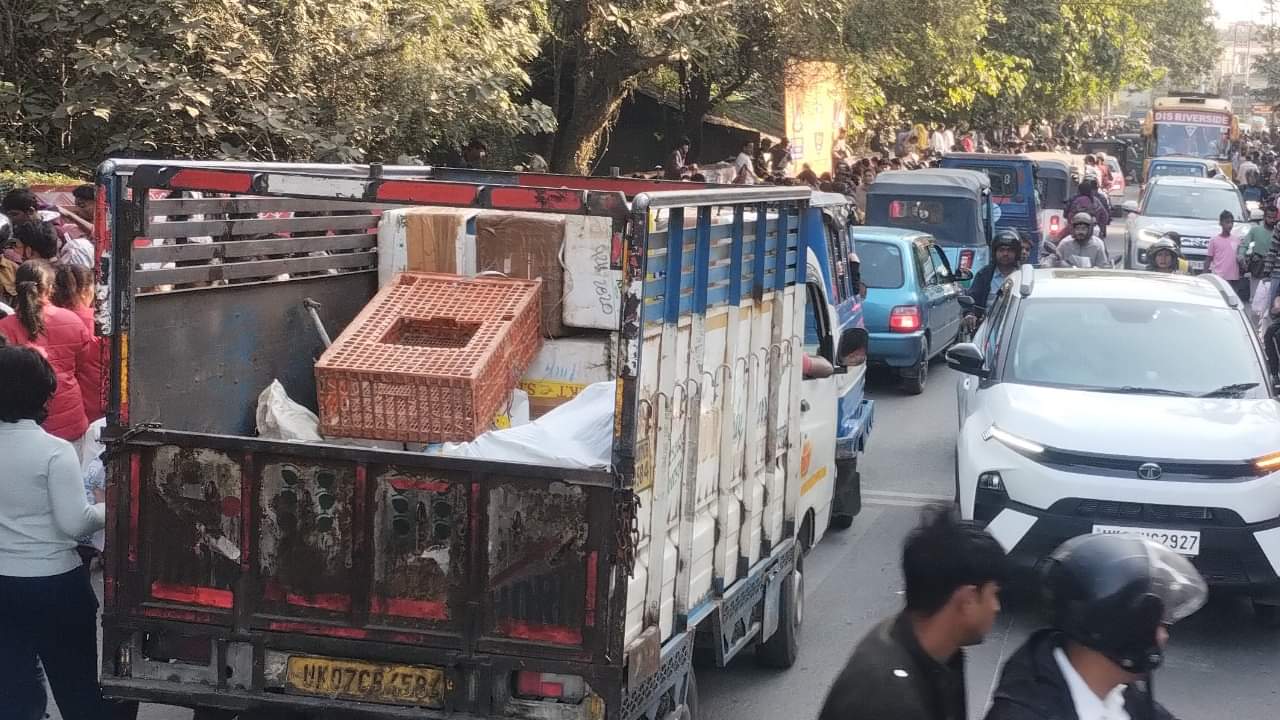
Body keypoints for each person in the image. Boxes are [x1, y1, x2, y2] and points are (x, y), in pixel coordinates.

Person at [984, 534, 1207, 720]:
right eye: (1153, 623)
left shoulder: (1123, 699)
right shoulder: (1022, 713)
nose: (1163, 636)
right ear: (1117, 631)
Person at [0, 344, 110, 720]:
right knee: (78, 692)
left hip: (3, 584)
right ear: (43, 392)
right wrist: (109, 510)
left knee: (13, 694)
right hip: (55, 586)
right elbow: (75, 523)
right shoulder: (54, 451)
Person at [818, 508, 1007, 720]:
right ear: (968, 599)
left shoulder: (941, 657)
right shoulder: (886, 700)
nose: (996, 607)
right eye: (994, 593)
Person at [0, 260, 95, 443]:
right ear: (50, 288)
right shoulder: (72, 320)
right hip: (69, 416)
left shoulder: (4, 328)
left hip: (20, 420)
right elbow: (82, 361)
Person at [53, 264, 103, 423]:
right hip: (98, 410)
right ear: (85, 291)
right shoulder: (101, 322)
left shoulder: (46, 322)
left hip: (58, 409)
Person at [965, 230, 1023, 329]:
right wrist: (970, 314)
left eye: (1010, 250)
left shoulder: (1024, 276)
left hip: (1016, 328)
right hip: (987, 329)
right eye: (1001, 250)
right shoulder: (984, 275)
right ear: (994, 252)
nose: (1005, 253)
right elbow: (972, 299)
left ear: (1016, 253)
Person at [1206, 209, 1247, 300]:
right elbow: (1208, 258)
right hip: (1219, 277)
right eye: (1227, 222)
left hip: (1233, 278)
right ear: (1221, 223)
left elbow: (1240, 257)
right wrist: (1204, 275)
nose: (1230, 225)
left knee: (1232, 300)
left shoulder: (1237, 240)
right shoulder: (1214, 240)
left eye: (1232, 222)